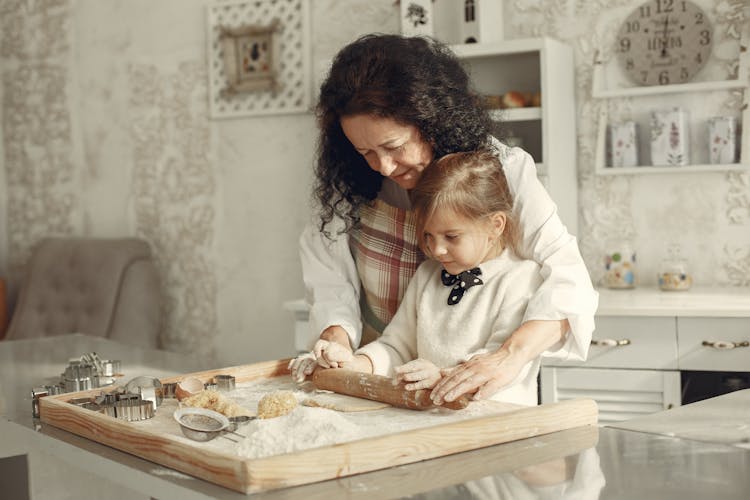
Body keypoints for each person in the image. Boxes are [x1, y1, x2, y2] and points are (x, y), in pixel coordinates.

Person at [290, 33, 598, 405]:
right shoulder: (345, 186)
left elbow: (567, 277)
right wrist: (338, 348)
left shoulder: (502, 173)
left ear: (430, 120)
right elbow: (332, 289)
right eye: (365, 151)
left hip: (482, 395)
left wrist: (504, 359)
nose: (384, 166)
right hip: (381, 386)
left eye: (393, 146)